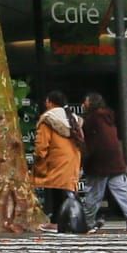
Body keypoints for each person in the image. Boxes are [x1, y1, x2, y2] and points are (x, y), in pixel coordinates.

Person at [80, 93, 127, 234]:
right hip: (115, 160)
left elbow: (91, 144)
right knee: (122, 189)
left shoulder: (91, 120)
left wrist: (84, 161)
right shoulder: (108, 118)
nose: (83, 104)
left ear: (91, 104)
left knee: (94, 193)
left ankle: (87, 222)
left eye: (85, 102)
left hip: (99, 162)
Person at [33, 91, 84, 231]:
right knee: (66, 190)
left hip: (56, 159)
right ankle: (71, 222)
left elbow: (42, 144)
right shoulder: (73, 118)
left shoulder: (48, 119)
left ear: (50, 103)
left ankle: (58, 222)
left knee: (56, 191)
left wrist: (39, 159)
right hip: (73, 158)